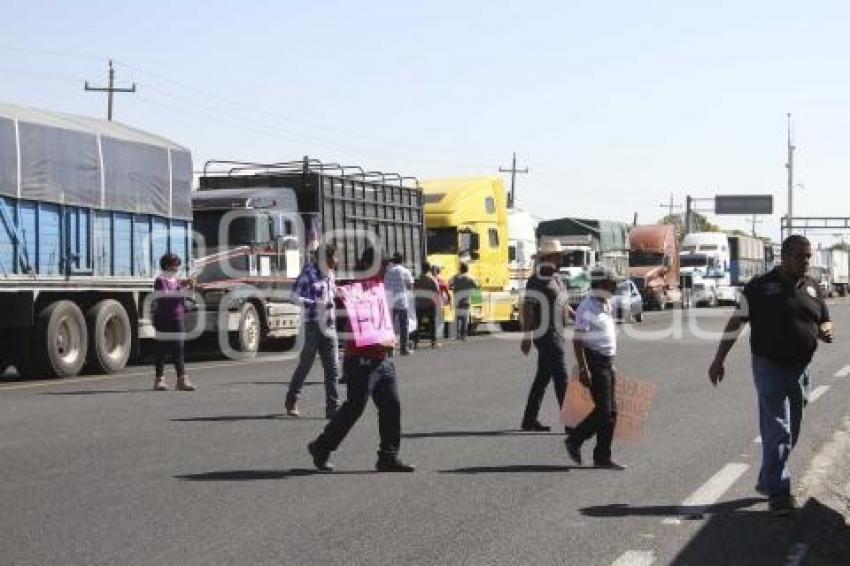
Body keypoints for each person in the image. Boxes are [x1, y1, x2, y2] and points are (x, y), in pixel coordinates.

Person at [708, 235, 832, 515]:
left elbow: (823, 317)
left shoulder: (812, 287)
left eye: (808, 256)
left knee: (794, 429)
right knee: (779, 429)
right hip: (769, 366)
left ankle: (768, 478)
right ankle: (779, 494)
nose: (806, 261)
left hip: (800, 368)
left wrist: (826, 329)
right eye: (800, 256)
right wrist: (719, 359)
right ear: (785, 256)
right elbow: (735, 321)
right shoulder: (760, 287)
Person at [307, 248, 415, 473]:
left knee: (391, 407)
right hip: (361, 360)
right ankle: (321, 446)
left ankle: (388, 456)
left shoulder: (379, 288)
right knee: (354, 408)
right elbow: (358, 326)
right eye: (382, 264)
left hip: (382, 359)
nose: (387, 268)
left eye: (387, 265)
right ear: (368, 264)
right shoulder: (355, 290)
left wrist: (389, 339)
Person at [564, 266, 625, 470]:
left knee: (612, 412)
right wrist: (583, 369)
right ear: (600, 285)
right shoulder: (587, 307)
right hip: (595, 362)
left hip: (607, 362)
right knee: (603, 411)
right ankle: (575, 439)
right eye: (611, 284)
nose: (614, 288)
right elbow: (578, 340)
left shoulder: (605, 303)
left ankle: (602, 457)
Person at [519, 240, 573, 431]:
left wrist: (572, 313)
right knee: (561, 376)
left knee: (543, 377)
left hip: (557, 332)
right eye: (557, 256)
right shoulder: (537, 279)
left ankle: (529, 420)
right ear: (548, 258)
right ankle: (570, 423)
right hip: (546, 333)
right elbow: (528, 308)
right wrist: (526, 336)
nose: (560, 259)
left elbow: (563, 301)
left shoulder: (556, 278)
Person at [285, 243, 341, 419]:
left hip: (330, 326)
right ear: (326, 259)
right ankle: (291, 399)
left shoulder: (330, 275)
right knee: (305, 365)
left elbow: (331, 293)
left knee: (333, 369)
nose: (337, 260)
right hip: (313, 327)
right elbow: (293, 296)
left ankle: (333, 408)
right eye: (335, 257)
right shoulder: (308, 274)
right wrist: (315, 304)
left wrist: (340, 292)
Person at [152, 253, 196, 392]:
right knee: (161, 350)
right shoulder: (160, 281)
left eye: (177, 265)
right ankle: (159, 380)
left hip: (178, 318)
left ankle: (182, 380)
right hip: (163, 319)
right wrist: (182, 289)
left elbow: (183, 295)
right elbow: (166, 297)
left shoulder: (176, 281)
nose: (176, 268)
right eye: (174, 265)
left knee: (179, 349)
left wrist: (189, 286)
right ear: (166, 266)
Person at [384, 252, 415, 355]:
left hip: (390, 302)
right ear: (402, 260)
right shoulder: (405, 271)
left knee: (390, 326)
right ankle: (403, 348)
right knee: (404, 325)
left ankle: (390, 350)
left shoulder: (388, 271)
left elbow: (385, 284)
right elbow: (410, 286)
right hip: (402, 302)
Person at [413, 261, 442, 350]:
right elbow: (437, 292)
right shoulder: (432, 279)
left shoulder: (417, 278)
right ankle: (433, 342)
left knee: (418, 323)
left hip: (419, 303)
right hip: (430, 303)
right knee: (432, 322)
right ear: (429, 269)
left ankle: (415, 342)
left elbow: (413, 290)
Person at [450, 262, 477, 341]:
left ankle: (457, 335)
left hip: (457, 300)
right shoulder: (470, 278)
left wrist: (453, 288)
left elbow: (449, 283)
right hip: (466, 300)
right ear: (467, 269)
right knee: (465, 318)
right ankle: (464, 336)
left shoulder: (456, 277)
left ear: (460, 269)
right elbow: (476, 286)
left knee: (457, 317)